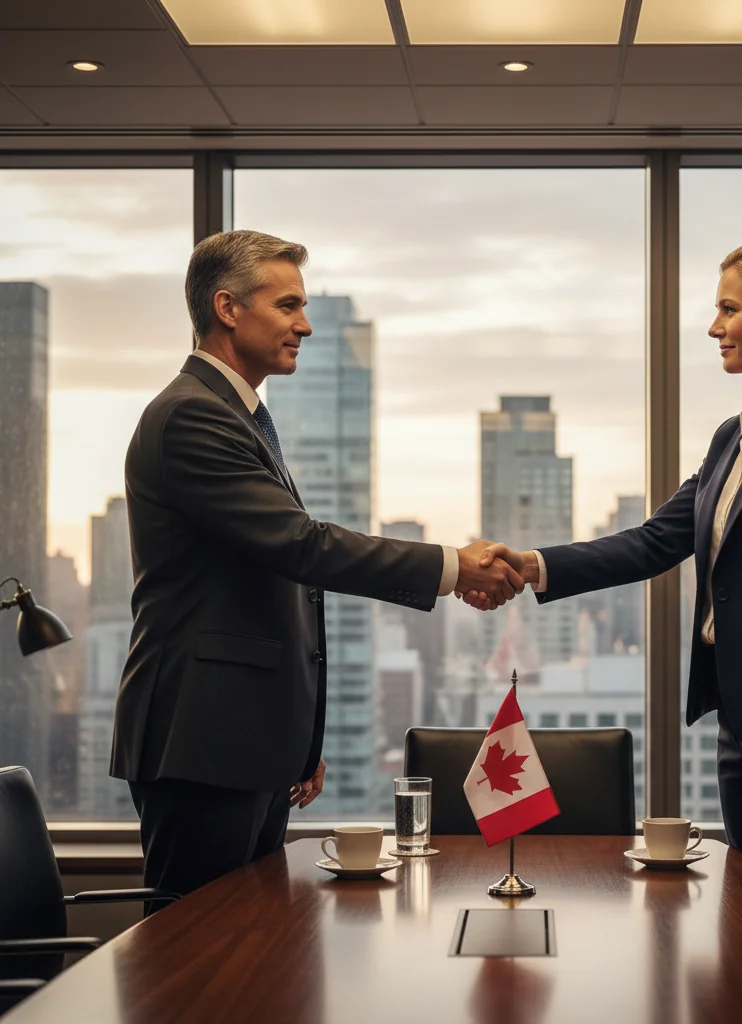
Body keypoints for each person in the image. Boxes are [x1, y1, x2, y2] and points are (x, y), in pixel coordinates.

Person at [110, 229, 524, 900]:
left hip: (243, 743)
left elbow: (274, 585)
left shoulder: (235, 416)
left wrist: (294, 744)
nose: (304, 325)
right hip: (202, 741)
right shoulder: (193, 417)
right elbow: (301, 547)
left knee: (252, 955)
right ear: (227, 308)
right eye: (287, 305)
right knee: (200, 969)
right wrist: (453, 567)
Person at [461, 237, 742, 894]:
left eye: (728, 309)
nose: (714, 328)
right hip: (741, 721)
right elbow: (655, 541)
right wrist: (532, 565)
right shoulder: (735, 436)